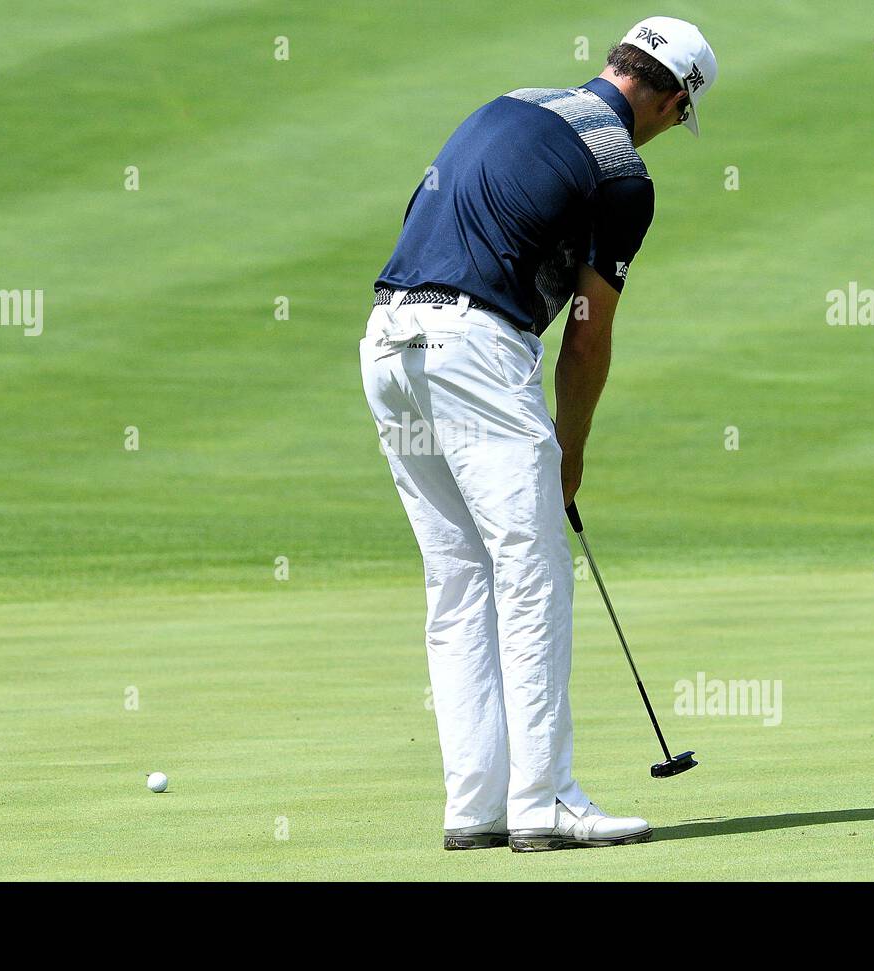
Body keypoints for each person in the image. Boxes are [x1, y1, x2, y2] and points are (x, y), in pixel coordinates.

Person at [359, 16, 717, 852]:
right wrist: (571, 450)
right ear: (669, 95)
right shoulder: (623, 174)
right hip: (475, 350)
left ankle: (475, 805)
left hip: (386, 342)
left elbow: (426, 214)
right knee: (530, 573)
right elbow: (589, 332)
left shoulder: (507, 104)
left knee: (458, 580)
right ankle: (545, 799)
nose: (669, 130)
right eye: (677, 115)